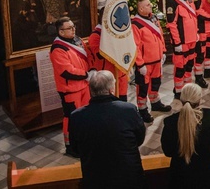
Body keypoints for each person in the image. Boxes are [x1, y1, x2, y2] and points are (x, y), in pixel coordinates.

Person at [69, 71, 145, 189]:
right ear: (111, 90)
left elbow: (74, 149)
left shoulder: (76, 116)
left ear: (91, 91)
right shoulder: (129, 110)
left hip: (95, 178)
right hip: (129, 177)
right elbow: (140, 139)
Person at [161, 83, 210, 189]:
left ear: (181, 100)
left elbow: (168, 151)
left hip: (181, 175)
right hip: (207, 174)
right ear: (199, 100)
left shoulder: (170, 123)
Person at [50, 17, 92, 157]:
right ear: (61, 32)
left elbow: (88, 57)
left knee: (85, 116)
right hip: (70, 89)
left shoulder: (78, 40)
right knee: (72, 118)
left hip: (84, 85)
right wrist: (86, 74)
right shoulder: (58, 49)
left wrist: (91, 70)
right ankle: (71, 146)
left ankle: (84, 141)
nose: (74, 29)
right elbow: (66, 71)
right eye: (70, 28)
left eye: (73, 26)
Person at [132, 0, 171, 123]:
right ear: (141, 8)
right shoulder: (135, 24)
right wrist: (140, 63)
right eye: (148, 5)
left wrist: (163, 51)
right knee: (143, 87)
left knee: (156, 83)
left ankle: (155, 103)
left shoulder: (153, 18)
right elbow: (135, 46)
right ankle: (142, 110)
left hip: (157, 60)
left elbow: (160, 35)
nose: (151, 6)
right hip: (145, 64)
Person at [167, 0, 199, 97]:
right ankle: (179, 91)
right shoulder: (172, 1)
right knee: (180, 67)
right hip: (182, 41)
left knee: (189, 65)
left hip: (191, 39)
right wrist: (177, 43)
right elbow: (172, 24)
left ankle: (187, 89)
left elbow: (193, 16)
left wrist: (196, 32)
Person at [87, 24, 128, 101]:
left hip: (121, 73)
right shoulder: (95, 36)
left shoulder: (118, 33)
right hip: (107, 76)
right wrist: (113, 43)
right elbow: (99, 54)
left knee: (123, 100)